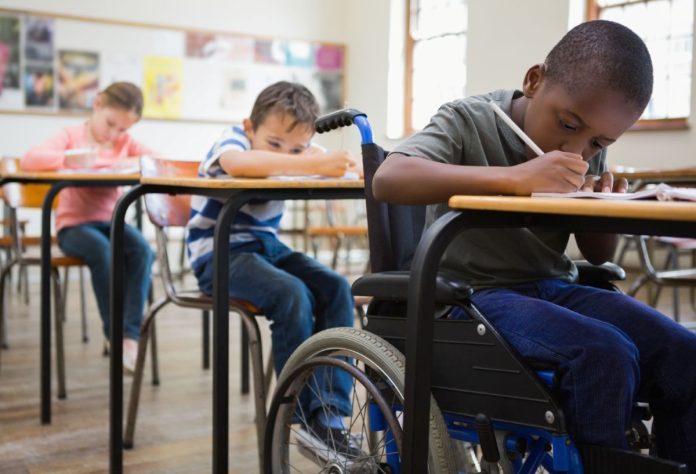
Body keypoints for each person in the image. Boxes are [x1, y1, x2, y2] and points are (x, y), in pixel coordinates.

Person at [373, 20, 696, 471]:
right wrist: (515, 178)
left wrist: (603, 200)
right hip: (475, 295)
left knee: (683, 352)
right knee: (603, 354)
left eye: (598, 142)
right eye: (568, 124)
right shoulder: (470, 119)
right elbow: (389, 179)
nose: (577, 149)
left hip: (553, 285)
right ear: (534, 80)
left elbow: (598, 252)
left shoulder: (585, 148)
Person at [186, 81, 361, 456]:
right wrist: (309, 161)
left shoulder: (305, 150)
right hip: (218, 254)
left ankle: (328, 415)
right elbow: (239, 164)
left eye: (297, 147)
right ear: (249, 127)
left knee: (335, 288)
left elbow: (348, 171)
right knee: (291, 293)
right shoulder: (232, 140)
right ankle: (298, 416)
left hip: (267, 249)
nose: (288, 153)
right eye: (274, 144)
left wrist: (338, 164)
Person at [21, 81, 155, 374]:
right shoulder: (71, 135)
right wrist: (72, 160)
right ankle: (115, 335)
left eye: (124, 129)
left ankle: (130, 337)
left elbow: (155, 160)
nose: (115, 134)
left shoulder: (123, 142)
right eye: (111, 124)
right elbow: (30, 159)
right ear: (97, 104)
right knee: (103, 253)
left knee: (143, 250)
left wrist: (119, 160)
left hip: (111, 221)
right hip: (74, 227)